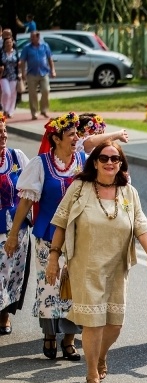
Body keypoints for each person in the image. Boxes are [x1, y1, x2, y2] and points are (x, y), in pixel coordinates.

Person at [45, 142, 147, 383]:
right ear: (95, 162)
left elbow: (141, 225)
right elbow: (61, 223)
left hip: (117, 268)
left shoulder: (128, 192)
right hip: (85, 267)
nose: (110, 163)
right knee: (93, 323)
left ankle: (100, 356)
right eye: (104, 158)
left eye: (115, 159)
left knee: (114, 325)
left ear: (121, 164)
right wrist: (54, 257)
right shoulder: (79, 188)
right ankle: (91, 375)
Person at [4, 112, 85, 360]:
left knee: (76, 286)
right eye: (71, 134)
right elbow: (26, 201)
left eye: (77, 134)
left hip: (80, 236)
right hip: (47, 236)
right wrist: (14, 233)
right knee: (50, 285)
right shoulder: (40, 164)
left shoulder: (84, 161)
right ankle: (50, 335)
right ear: (56, 138)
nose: (76, 138)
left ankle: (69, 339)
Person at [0, 117, 31, 334]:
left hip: (16, 228)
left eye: (4, 131)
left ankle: (4, 316)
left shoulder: (17, 157)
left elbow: (32, 187)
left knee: (11, 275)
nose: (3, 136)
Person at [19, 31, 55, 121]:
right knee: (32, 94)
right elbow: (22, 61)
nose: (31, 38)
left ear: (38, 37)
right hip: (31, 74)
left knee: (46, 90)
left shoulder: (45, 46)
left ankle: (44, 110)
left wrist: (53, 70)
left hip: (44, 72)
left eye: (33, 37)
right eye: (31, 37)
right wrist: (23, 73)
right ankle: (34, 113)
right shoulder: (27, 48)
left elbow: (50, 59)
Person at [0, 37, 21, 119]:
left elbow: (19, 63)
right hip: (4, 76)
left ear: (12, 43)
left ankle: (10, 111)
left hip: (13, 76)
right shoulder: (1, 53)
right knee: (6, 92)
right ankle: (4, 108)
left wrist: (20, 72)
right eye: (7, 42)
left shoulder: (16, 52)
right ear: (4, 44)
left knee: (13, 94)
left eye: (10, 42)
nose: (8, 44)